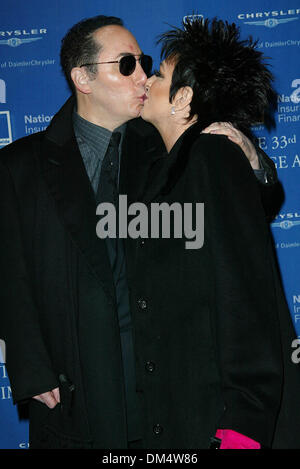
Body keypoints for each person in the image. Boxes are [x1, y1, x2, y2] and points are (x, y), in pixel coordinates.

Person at [0, 15, 278, 449]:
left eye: (146, 63)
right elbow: (8, 273)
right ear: (83, 78)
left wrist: (253, 161)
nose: (144, 76)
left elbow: (237, 212)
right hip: (75, 387)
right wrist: (30, 365)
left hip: (161, 386)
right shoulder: (20, 166)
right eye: (126, 64)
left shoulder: (164, 144)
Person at [123, 17, 300, 449]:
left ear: (183, 98)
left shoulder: (213, 155)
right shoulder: (155, 159)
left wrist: (242, 429)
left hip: (220, 421)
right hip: (177, 412)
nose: (146, 79)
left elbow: (244, 295)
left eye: (159, 75)